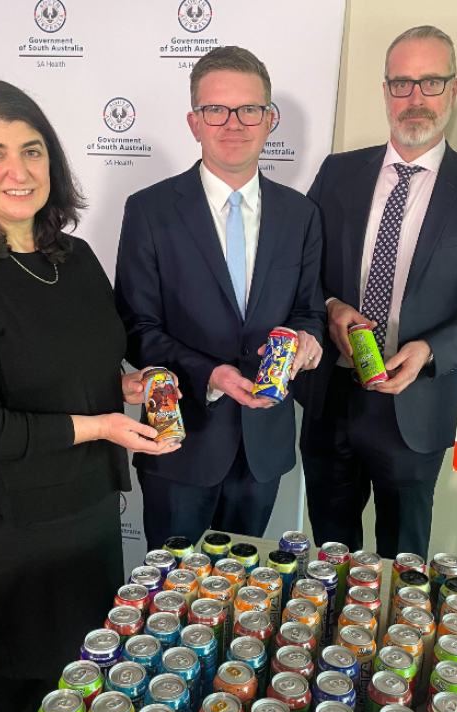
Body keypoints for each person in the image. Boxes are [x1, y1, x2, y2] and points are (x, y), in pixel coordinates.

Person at [0, 80, 177, 712]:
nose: (17, 170)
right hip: (14, 510)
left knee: (85, 642)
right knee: (18, 654)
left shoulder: (73, 256)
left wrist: (128, 385)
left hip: (85, 491)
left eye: (31, 150)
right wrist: (103, 427)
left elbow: (83, 363)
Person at [115, 46, 326, 550]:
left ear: (269, 118)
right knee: (170, 592)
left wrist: (308, 340)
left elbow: (310, 311)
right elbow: (137, 330)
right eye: (216, 110)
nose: (233, 123)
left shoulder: (300, 215)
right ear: (194, 121)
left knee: (242, 594)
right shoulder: (149, 211)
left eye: (249, 109)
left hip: (263, 446)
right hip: (180, 438)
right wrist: (209, 373)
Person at [294, 26, 457, 560]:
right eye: (402, 84)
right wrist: (331, 307)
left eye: (430, 82)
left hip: (414, 404)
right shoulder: (337, 173)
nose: (416, 99)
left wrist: (432, 350)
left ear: (453, 89)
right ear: (385, 92)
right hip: (331, 395)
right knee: (329, 561)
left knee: (402, 566)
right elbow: (297, 269)